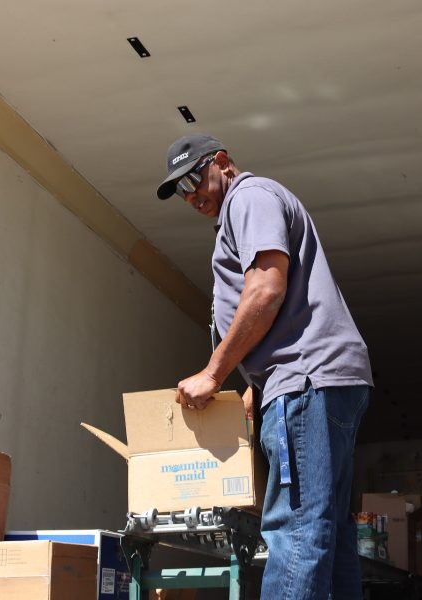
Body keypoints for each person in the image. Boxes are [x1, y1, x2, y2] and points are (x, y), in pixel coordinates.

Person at [157, 133, 373, 600]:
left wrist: (214, 373)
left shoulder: (248, 197)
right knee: (326, 533)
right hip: (316, 379)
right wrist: (257, 384)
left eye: (194, 178)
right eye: (180, 190)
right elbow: (285, 302)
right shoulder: (249, 204)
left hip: (307, 381)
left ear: (222, 162)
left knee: (296, 528)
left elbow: (266, 290)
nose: (191, 195)